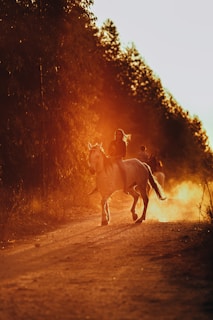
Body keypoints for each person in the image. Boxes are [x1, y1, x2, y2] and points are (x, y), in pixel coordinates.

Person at [108, 128, 130, 194]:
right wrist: (111, 154)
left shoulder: (123, 143)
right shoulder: (112, 142)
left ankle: (125, 187)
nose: (118, 136)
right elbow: (108, 151)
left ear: (122, 136)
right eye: (117, 134)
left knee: (123, 170)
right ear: (115, 135)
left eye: (120, 134)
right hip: (111, 159)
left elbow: (124, 154)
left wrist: (116, 157)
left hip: (119, 160)